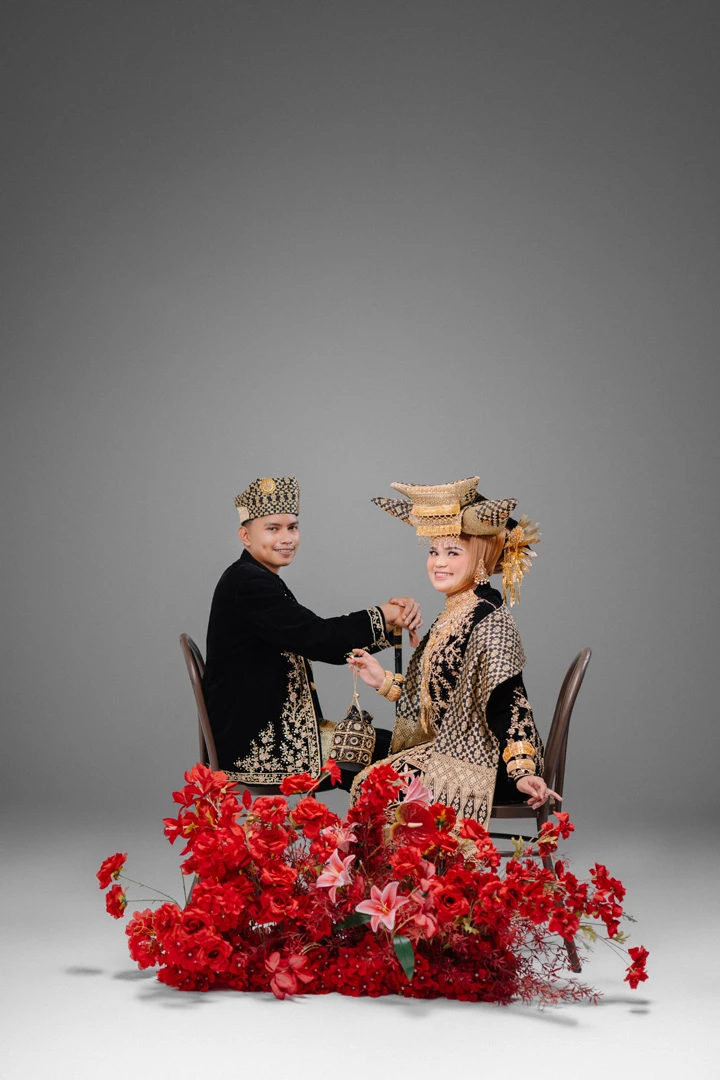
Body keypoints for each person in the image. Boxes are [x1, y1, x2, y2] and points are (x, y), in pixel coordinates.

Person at [347, 476, 558, 825]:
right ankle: (395, 858)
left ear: (480, 559)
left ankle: (407, 859)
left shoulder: (489, 618)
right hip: (451, 745)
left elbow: (508, 701)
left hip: (487, 759)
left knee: (376, 783)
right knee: (356, 746)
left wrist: (523, 771)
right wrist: (382, 680)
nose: (438, 563)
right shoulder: (456, 611)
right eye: (434, 551)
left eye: (452, 552)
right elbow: (441, 697)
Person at [203, 476, 422, 787]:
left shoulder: (253, 577)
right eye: (273, 529)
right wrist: (385, 614)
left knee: (394, 747)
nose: (287, 538)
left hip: (276, 735)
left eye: (292, 527)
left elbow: (313, 635)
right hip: (261, 747)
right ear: (245, 535)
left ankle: (391, 820)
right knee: (404, 757)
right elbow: (319, 639)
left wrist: (388, 621)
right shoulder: (249, 583)